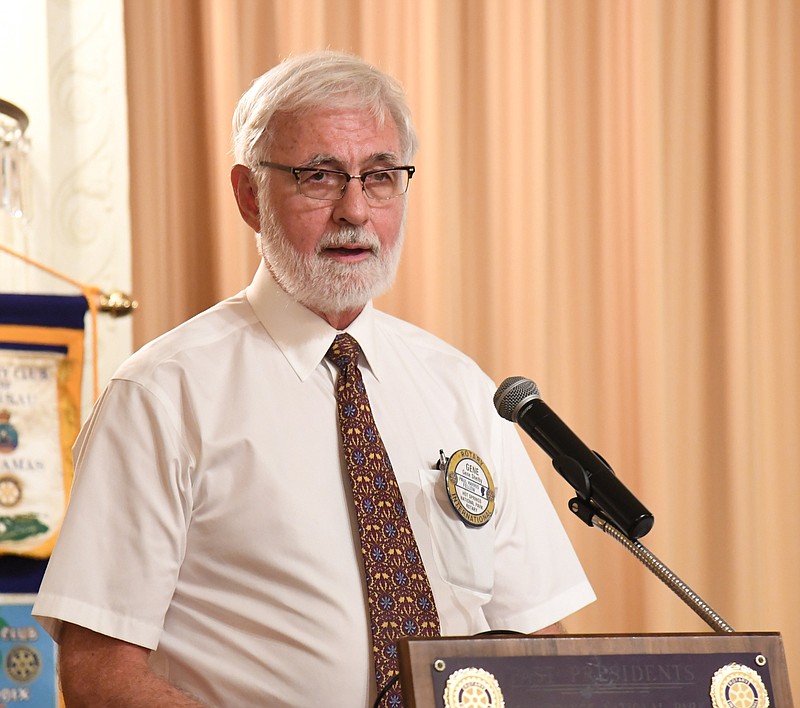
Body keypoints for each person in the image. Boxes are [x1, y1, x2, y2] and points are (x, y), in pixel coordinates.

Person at [33, 50, 595, 706]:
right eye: (319, 177)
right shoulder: (163, 395)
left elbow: (540, 642)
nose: (354, 209)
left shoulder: (463, 391)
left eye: (380, 176)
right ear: (249, 196)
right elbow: (102, 680)